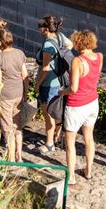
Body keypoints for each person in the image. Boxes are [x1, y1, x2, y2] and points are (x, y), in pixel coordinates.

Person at [60, 30, 101, 185]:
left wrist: (62, 92)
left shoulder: (77, 61)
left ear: (78, 43)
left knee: (70, 143)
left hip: (76, 105)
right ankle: (88, 171)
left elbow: (74, 88)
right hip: (92, 102)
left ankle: (71, 176)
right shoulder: (99, 57)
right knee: (89, 138)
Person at [34, 16, 72, 154]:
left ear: (45, 29)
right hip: (59, 81)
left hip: (48, 84)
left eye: (40, 28)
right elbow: (70, 45)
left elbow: (45, 68)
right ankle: (58, 135)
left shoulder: (48, 45)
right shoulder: (60, 36)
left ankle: (49, 143)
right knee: (56, 110)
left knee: (48, 113)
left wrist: (37, 84)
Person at [0, 29, 28, 162]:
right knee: (18, 125)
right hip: (19, 94)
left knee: (7, 127)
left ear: (0, 42)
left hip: (6, 96)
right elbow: (25, 76)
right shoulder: (20, 53)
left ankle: (11, 157)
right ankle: (19, 155)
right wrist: (25, 93)